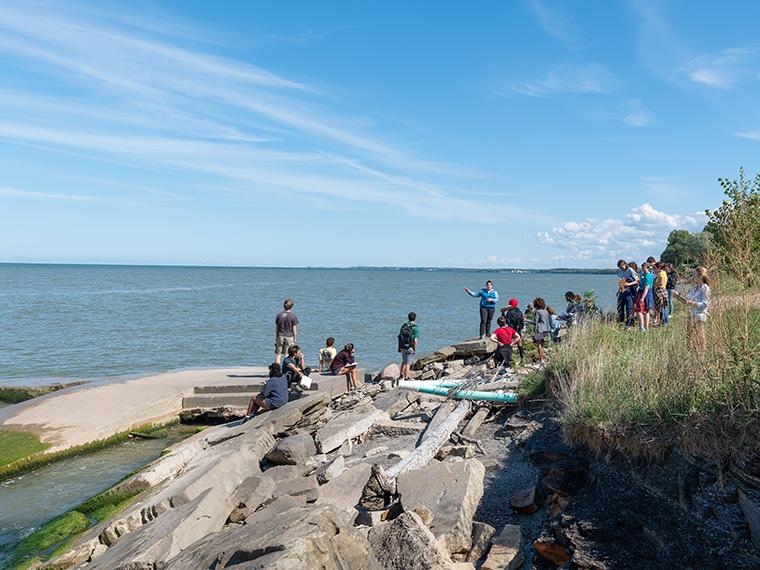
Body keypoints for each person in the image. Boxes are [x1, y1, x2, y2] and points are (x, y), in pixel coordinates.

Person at [674, 266, 711, 353]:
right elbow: (687, 300)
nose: (692, 276)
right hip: (691, 314)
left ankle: (702, 353)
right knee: (689, 335)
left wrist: (694, 303)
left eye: (694, 274)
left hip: (700, 315)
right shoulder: (694, 288)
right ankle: (689, 353)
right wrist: (677, 296)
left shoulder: (705, 288)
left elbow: (705, 304)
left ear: (700, 276)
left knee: (700, 335)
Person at [274, 298, 298, 365]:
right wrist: (295, 338)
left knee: (278, 353)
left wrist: (276, 337)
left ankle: (277, 369)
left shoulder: (279, 315)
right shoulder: (293, 316)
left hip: (280, 335)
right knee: (287, 353)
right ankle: (285, 368)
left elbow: (277, 328)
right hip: (289, 336)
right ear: (292, 306)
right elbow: (294, 329)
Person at [398, 312, 419, 383]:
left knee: (404, 361)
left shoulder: (404, 325)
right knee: (408, 363)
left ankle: (401, 375)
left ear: (408, 318)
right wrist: (415, 349)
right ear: (415, 318)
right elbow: (415, 340)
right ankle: (406, 379)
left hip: (402, 347)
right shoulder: (415, 328)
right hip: (410, 347)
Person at [616, 260, 638, 328]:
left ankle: (629, 323)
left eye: (621, 266)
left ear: (625, 264)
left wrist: (629, 284)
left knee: (629, 308)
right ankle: (621, 321)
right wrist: (618, 290)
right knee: (620, 306)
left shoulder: (630, 270)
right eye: (619, 267)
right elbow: (621, 282)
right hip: (623, 291)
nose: (621, 268)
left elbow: (637, 280)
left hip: (629, 291)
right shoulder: (621, 272)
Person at [635, 263, 654, 332]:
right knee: (645, 311)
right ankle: (645, 327)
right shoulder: (643, 275)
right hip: (642, 292)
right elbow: (641, 284)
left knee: (639, 310)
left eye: (644, 268)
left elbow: (647, 287)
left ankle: (642, 327)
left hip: (645, 294)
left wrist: (642, 298)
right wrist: (638, 281)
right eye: (642, 268)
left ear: (648, 268)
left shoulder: (648, 276)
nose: (643, 269)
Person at [532, 298, 551, 363]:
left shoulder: (537, 312)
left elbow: (535, 322)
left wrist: (526, 320)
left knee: (539, 345)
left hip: (539, 330)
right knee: (542, 345)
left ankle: (541, 359)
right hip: (546, 329)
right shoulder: (545, 311)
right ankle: (543, 358)